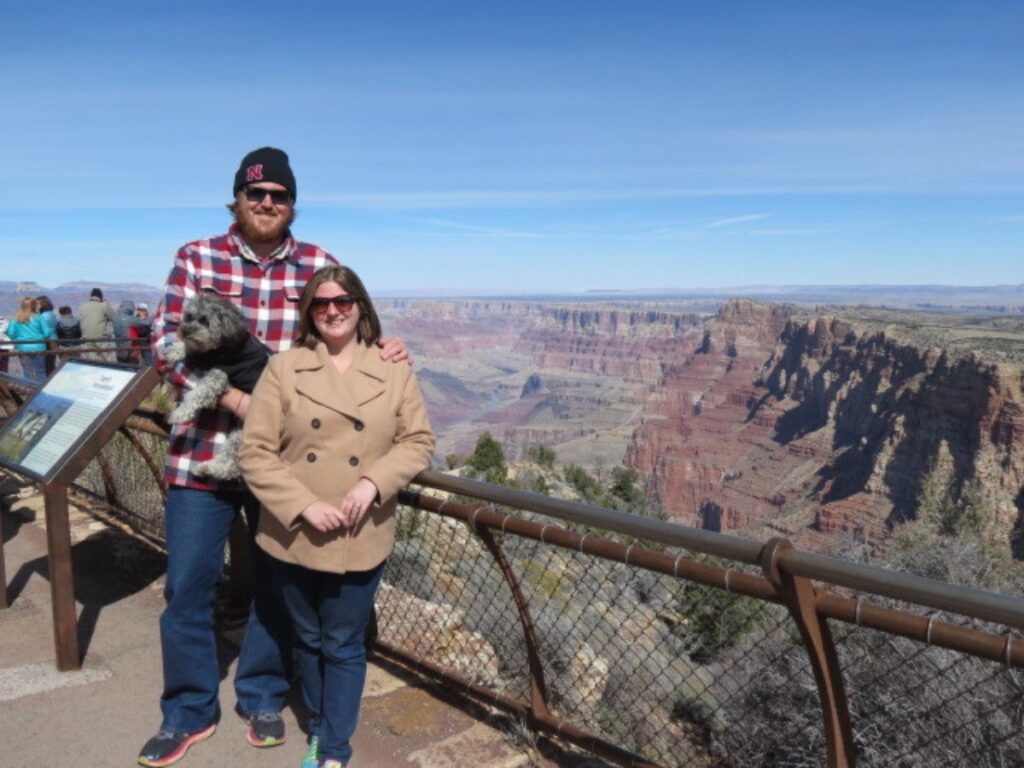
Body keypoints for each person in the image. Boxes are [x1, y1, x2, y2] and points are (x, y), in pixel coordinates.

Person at [139, 147, 408, 768]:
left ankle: (261, 694)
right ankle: (186, 710)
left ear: (292, 204)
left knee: (276, 589)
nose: (266, 204)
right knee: (188, 586)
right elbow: (164, 344)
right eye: (255, 194)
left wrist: (388, 346)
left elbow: (348, 336)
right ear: (236, 199)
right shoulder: (196, 256)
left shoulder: (319, 264)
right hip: (200, 455)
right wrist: (237, 399)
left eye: (278, 196)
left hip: (289, 466)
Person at [240, 265, 434, 768]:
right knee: (308, 637)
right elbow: (255, 451)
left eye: (343, 302)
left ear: (361, 307)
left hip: (360, 531)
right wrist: (304, 505)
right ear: (308, 312)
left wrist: (373, 482)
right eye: (321, 303)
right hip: (294, 530)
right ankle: (322, 728)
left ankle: (333, 749)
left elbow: (418, 441)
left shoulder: (394, 369)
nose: (332, 311)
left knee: (343, 643)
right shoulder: (284, 368)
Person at [5, 297, 52, 381]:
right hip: (39, 348)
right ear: (34, 306)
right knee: (40, 371)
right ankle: (41, 391)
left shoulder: (16, 318)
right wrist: (41, 339)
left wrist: (17, 340)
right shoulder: (39, 317)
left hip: (22, 348)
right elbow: (47, 333)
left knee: (27, 371)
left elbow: (11, 333)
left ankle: (30, 391)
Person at [78, 287, 115, 359]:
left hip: (87, 339)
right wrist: (107, 304)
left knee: (91, 362)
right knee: (106, 360)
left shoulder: (82, 307)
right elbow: (113, 316)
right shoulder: (103, 306)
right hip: (101, 339)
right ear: (101, 297)